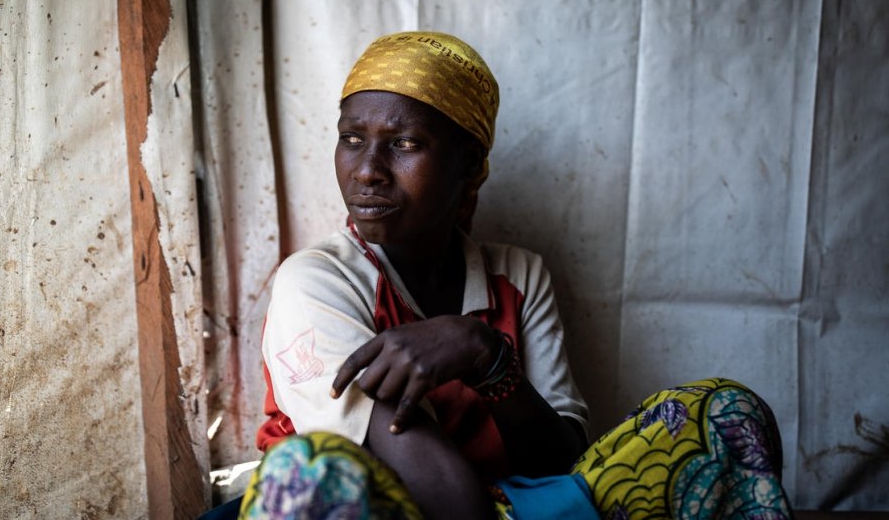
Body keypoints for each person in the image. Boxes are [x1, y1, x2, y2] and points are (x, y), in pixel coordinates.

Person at [220, 31, 792, 520]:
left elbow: (561, 464)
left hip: (506, 505)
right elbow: (426, 479)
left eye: (405, 144)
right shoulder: (317, 281)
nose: (367, 171)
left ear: (468, 165)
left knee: (722, 411)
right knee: (308, 476)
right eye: (351, 139)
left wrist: (485, 356)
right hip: (386, 509)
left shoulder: (517, 275)